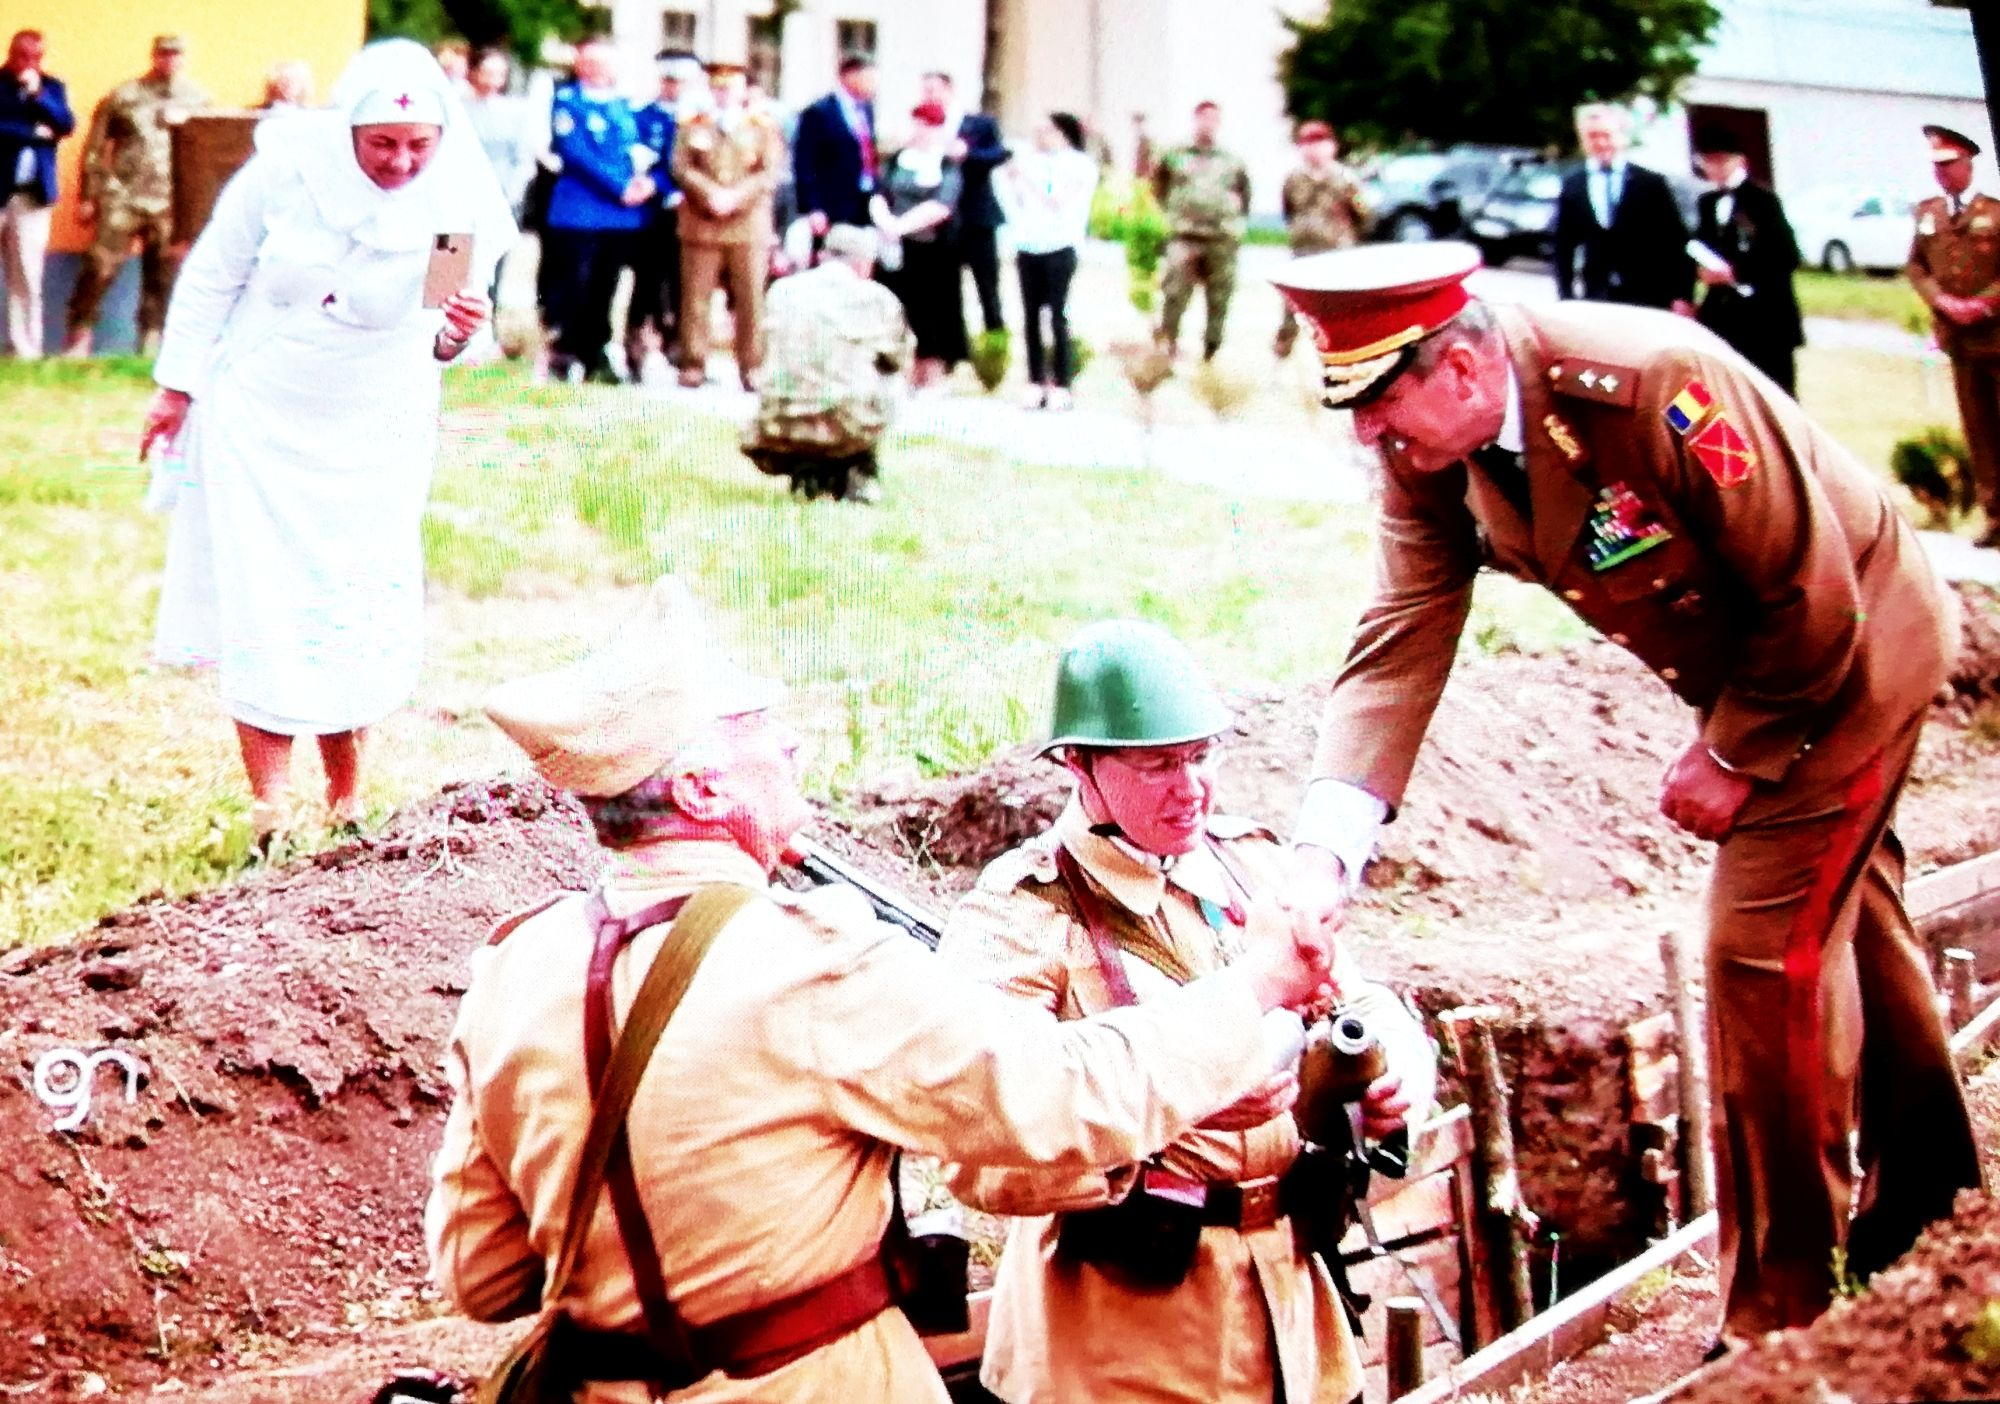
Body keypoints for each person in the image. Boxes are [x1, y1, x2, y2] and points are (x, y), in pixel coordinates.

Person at [1273, 241, 1983, 1352]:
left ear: (1459, 371)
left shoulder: (1645, 382)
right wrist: (1326, 847)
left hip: (1845, 654)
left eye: (1381, 403)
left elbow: (1810, 591)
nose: (1369, 436)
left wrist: (1736, 755)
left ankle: (1781, 1312)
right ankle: (1936, 1206)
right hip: (1757, 667)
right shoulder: (1430, 456)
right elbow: (1400, 631)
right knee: (1849, 917)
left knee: (1758, 951)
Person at [426, 575, 1342, 1404]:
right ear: (704, 789)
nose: (793, 748)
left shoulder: (515, 966)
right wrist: (1253, 986)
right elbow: (1056, 1097)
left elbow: (484, 1275)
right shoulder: (815, 962)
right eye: (763, 738)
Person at [939, 619, 1437, 1404]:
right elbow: (973, 1146)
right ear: (1080, 766)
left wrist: (1395, 1076)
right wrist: (1168, 1113)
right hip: (1114, 1346)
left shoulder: (1255, 867)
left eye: (1202, 756)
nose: (1192, 787)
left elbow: (1364, 998)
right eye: (1159, 765)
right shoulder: (1023, 917)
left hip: (1292, 1321)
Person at [136, 39, 513, 845]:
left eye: (419, 145)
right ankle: (269, 811)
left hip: (376, 428)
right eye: (383, 143)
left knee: (356, 600)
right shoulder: (281, 173)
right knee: (264, 601)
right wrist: (177, 388)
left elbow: (443, 334)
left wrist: (460, 333)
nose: (402, 161)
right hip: (261, 417)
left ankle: (347, 806)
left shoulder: (452, 205)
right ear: (349, 129)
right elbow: (212, 278)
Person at [64, 34, 210, 357]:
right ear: (153, 56)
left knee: (162, 274)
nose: (169, 60)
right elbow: (94, 148)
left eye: (175, 54)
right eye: (163, 54)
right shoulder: (124, 95)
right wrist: (89, 195)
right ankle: (79, 333)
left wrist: (199, 208)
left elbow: (205, 158)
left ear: (184, 58)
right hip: (123, 195)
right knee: (100, 266)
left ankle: (151, 340)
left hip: (170, 200)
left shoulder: (198, 100)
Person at [742, 223, 909, 503]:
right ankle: (860, 469)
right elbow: (897, 359)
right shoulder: (877, 298)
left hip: (776, 426)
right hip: (847, 426)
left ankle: (807, 469)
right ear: (862, 264)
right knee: (890, 377)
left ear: (822, 257)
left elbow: (760, 353)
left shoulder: (781, 290)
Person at [1908, 123, 2000, 548]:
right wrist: (1941, 302)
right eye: (1936, 167)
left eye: (1949, 165)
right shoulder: (1928, 213)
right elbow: (1917, 266)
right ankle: (1995, 514)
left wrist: (1982, 304)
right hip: (1959, 341)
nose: (1942, 174)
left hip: (1995, 332)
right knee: (1979, 429)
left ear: (1968, 162)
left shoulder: (1995, 210)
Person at [544, 37, 652, 384]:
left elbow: (647, 149)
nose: (599, 70)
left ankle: (597, 354)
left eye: (605, 63)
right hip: (580, 212)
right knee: (576, 283)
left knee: (607, 287)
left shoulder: (627, 106)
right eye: (591, 63)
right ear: (579, 65)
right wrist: (619, 187)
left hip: (620, 218)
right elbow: (575, 152)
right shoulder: (568, 103)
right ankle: (567, 352)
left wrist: (647, 185)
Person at [672, 53, 782, 390]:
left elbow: (770, 172)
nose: (723, 94)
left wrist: (736, 196)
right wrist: (710, 193)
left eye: (730, 87)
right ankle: (693, 363)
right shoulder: (693, 124)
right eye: (716, 88)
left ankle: (752, 367)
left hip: (747, 225)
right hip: (701, 223)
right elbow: (681, 167)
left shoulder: (762, 127)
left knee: (750, 299)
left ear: (743, 90)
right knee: (696, 298)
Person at [1689, 128, 1802, 398]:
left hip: (1765, 317)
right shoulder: (1707, 202)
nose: (1714, 168)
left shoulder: (1763, 200)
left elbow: (1787, 255)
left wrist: (1736, 272)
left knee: (1774, 395)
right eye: (1708, 161)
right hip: (1724, 316)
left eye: (1721, 160)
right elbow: (1699, 246)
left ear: (1739, 161)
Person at [997, 111, 1096, 410]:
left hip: (1060, 244)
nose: (1039, 138)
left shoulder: (1079, 165)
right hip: (1029, 244)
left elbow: (1057, 200)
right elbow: (1014, 200)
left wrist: (1025, 177)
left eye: (1047, 131)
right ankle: (1034, 379)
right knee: (1029, 316)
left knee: (1056, 314)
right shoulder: (1030, 162)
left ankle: (1062, 382)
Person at [1552, 103, 1692, 313]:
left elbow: (1675, 241)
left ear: (1621, 137)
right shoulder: (1574, 185)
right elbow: (1564, 245)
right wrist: (1566, 296)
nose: (1600, 142)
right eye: (1592, 136)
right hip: (1597, 295)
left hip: (1647, 296)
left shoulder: (1650, 183)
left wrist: (1682, 294)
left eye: (1606, 135)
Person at [872, 102, 967, 390]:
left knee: (934, 310)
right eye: (917, 124)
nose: (920, 131)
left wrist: (902, 225)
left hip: (935, 248)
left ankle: (933, 371)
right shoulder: (898, 159)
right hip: (898, 248)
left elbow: (942, 204)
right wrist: (887, 222)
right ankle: (900, 369)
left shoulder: (945, 164)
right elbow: (880, 192)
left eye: (927, 126)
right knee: (899, 308)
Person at [1154, 100, 1250, 362]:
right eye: (1203, 118)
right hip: (1184, 236)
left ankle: (1211, 350)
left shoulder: (1232, 160)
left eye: (1213, 119)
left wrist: (1234, 226)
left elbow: (1244, 194)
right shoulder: (1175, 154)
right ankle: (1166, 347)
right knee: (1174, 294)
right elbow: (1158, 186)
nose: (1207, 124)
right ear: (1195, 119)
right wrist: (1172, 216)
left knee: (1219, 297)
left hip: (1220, 239)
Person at [919, 71, 1009, 336]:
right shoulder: (925, 127)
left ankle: (994, 344)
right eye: (925, 91)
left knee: (987, 285)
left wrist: (967, 153)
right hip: (941, 219)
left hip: (977, 216)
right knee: (945, 288)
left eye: (934, 90)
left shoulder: (978, 123)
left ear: (949, 90)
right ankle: (951, 346)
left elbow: (999, 154)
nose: (929, 96)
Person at [0, 29, 72, 359]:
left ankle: (25, 348)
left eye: (34, 57)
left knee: (27, 273)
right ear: (10, 53)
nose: (27, 62)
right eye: (22, 55)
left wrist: (39, 95)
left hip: (33, 197)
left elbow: (65, 124)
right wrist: (33, 133)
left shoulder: (52, 87)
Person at [622, 51, 691, 380]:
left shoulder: (697, 121)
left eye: (681, 81)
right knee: (646, 282)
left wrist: (665, 184)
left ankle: (677, 345)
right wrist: (654, 185)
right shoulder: (642, 116)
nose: (674, 87)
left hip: (689, 212)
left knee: (683, 283)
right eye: (669, 80)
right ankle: (636, 346)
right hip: (649, 215)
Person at [1275, 120, 1367, 360]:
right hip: (1303, 254)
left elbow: (1363, 216)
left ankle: (1345, 360)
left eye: (1319, 143)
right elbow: (1289, 210)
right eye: (1307, 143)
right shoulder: (1293, 179)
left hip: (1337, 255)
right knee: (1292, 310)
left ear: (1332, 147)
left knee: (1340, 312)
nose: (1313, 149)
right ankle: (1281, 356)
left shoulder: (1346, 180)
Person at [792, 55, 878, 235]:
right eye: (868, 79)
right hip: (833, 203)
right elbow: (804, 164)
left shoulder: (867, 109)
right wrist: (813, 207)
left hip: (864, 197)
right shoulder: (819, 112)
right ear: (850, 76)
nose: (873, 85)